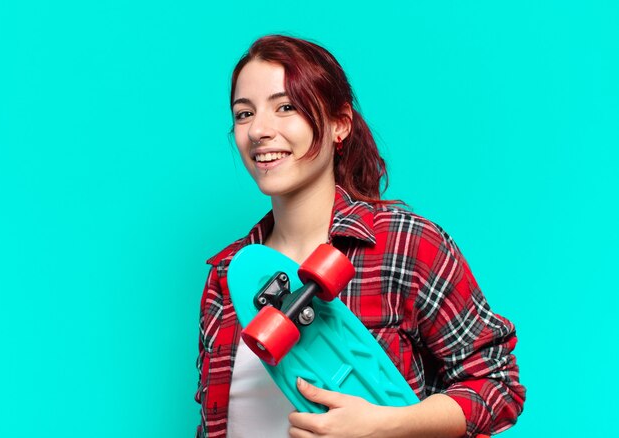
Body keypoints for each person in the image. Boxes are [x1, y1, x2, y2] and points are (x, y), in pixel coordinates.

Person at [195, 35, 525, 438]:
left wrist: (388, 425)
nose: (259, 130)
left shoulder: (407, 246)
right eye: (244, 114)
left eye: (286, 107)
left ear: (339, 124)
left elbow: (497, 384)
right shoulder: (228, 275)